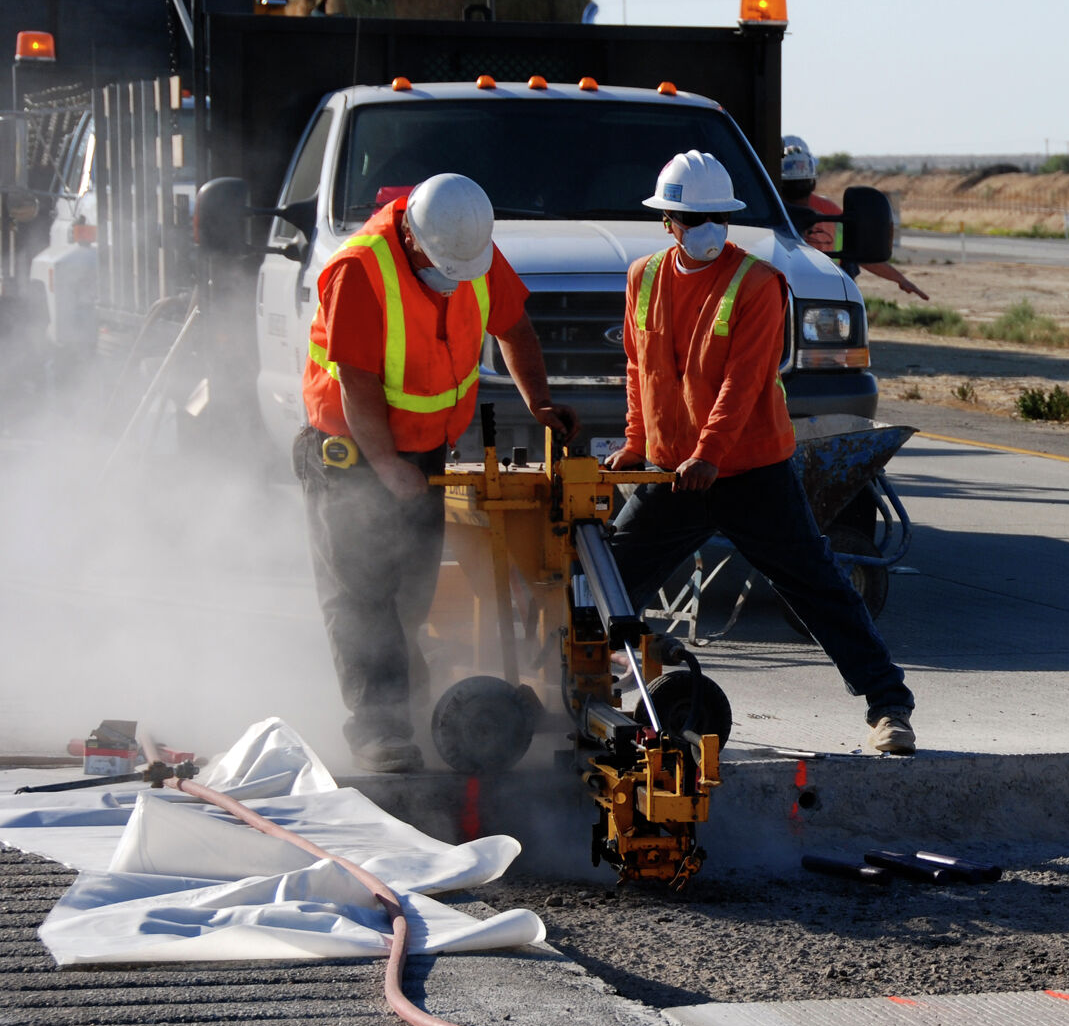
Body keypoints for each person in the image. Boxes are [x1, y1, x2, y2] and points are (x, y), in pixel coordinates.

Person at [602, 150, 917, 755]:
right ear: (668, 221)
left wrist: (710, 454)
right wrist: (638, 444)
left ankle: (889, 707)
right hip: (673, 472)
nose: (705, 229)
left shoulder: (757, 282)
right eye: (692, 219)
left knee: (816, 585)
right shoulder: (642, 276)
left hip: (750, 471)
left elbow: (743, 383)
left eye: (715, 216)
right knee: (603, 588)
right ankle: (575, 688)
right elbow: (640, 369)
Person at [297, 173, 574, 772]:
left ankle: (408, 706)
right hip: (351, 453)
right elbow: (357, 382)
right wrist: (386, 465)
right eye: (444, 265)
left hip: (420, 454)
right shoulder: (360, 272)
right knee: (361, 594)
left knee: (409, 592)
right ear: (415, 239)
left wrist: (539, 402)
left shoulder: (468, 247)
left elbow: (513, 327)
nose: (456, 277)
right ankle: (379, 730)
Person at [779, 135, 929, 299]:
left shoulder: (764, 209)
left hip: (798, 294)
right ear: (813, 180)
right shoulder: (832, 211)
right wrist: (900, 279)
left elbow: (860, 253)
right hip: (824, 293)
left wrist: (900, 279)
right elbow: (862, 253)